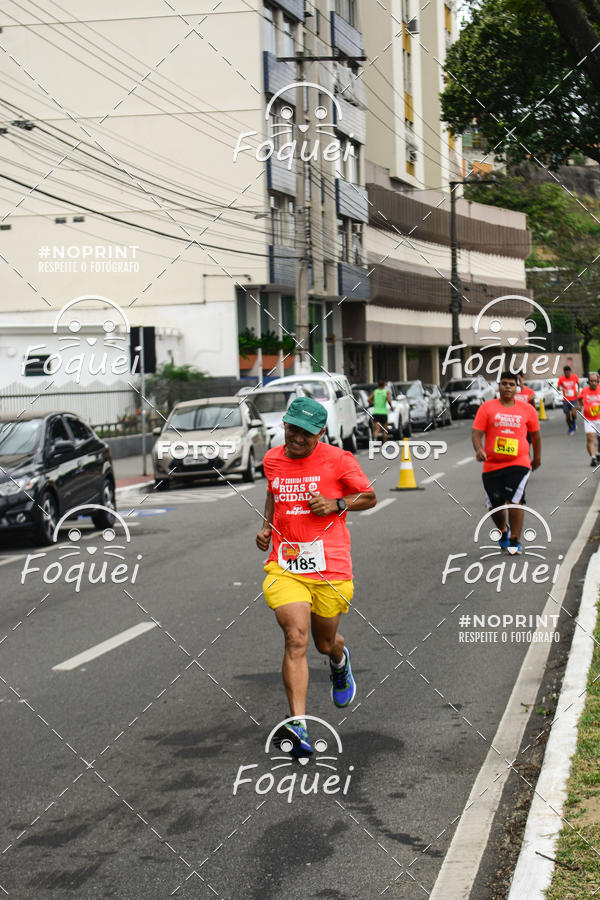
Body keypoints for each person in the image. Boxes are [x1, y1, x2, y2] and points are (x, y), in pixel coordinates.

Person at [256, 396, 377, 757]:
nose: (295, 437)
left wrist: (336, 504)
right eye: (291, 428)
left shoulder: (338, 460)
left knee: (325, 644)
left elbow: (369, 496)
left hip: (331, 567)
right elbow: (273, 494)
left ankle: (339, 660)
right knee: (296, 639)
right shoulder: (272, 460)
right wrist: (265, 528)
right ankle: (299, 726)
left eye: (304, 433)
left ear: (320, 433)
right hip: (286, 565)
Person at [472, 371, 541, 555]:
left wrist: (537, 457)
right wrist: (479, 449)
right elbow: (477, 433)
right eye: (504, 384)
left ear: (517, 388)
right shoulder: (487, 408)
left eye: (511, 384)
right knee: (495, 505)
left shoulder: (527, 409)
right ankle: (503, 530)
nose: (508, 387)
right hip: (492, 464)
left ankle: (515, 540)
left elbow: (535, 435)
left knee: (515, 500)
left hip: (519, 462)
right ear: (498, 386)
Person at [577, 372, 600, 466]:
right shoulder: (584, 391)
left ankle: (598, 454)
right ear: (588, 382)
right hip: (588, 419)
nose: (593, 383)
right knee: (590, 438)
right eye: (591, 381)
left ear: (598, 381)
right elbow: (579, 398)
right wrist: (579, 406)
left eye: (595, 381)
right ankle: (593, 458)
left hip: (599, 419)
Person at [368, 379, 392, 445]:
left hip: (376, 413)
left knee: (377, 429)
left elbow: (368, 399)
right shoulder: (386, 392)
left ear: (378, 385)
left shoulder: (375, 392)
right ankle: (384, 445)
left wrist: (373, 404)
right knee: (384, 430)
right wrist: (391, 407)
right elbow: (389, 401)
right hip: (384, 413)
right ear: (384, 385)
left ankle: (374, 442)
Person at [557, 365, 580, 434]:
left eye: (568, 372)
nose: (567, 374)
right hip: (565, 400)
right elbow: (558, 387)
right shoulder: (561, 379)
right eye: (566, 372)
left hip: (573, 399)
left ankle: (574, 423)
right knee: (567, 417)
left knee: (573, 414)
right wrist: (562, 389)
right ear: (564, 372)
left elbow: (578, 384)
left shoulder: (574, 377)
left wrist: (578, 391)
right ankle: (570, 428)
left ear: (570, 371)